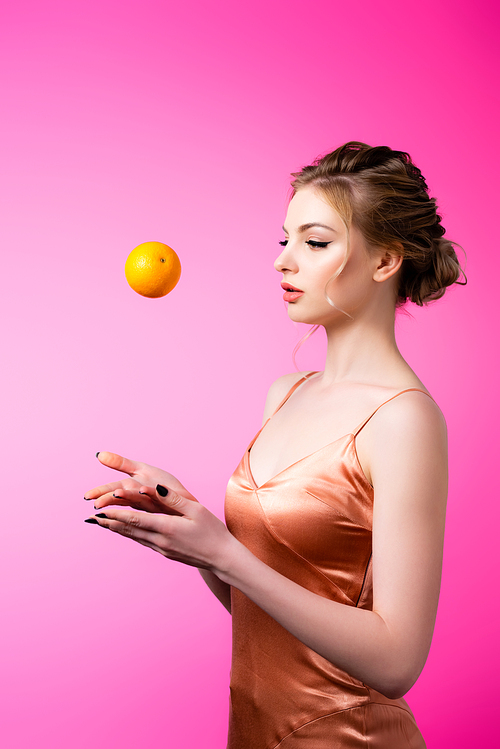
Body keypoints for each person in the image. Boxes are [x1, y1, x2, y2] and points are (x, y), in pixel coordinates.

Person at [84, 141, 466, 748]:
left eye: (314, 243)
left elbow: (397, 663)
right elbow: (268, 617)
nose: (284, 262)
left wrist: (225, 553)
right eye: (283, 240)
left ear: (387, 259)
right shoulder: (286, 395)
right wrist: (197, 532)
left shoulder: (404, 420)